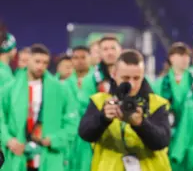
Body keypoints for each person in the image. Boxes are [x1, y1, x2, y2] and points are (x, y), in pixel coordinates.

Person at [78, 49, 171, 171]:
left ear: (143, 76)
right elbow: (85, 134)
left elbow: (162, 142)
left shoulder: (157, 104)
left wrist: (141, 124)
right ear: (114, 74)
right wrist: (103, 118)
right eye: (126, 78)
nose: (131, 84)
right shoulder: (100, 101)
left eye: (137, 78)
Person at [0, 43, 78, 171]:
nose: (41, 66)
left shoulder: (60, 90)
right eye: (37, 61)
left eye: (45, 63)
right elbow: (1, 118)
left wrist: (54, 139)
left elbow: (72, 122)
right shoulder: (9, 89)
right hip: (17, 155)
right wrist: (8, 139)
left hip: (48, 155)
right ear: (28, 60)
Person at [71, 35, 121, 171]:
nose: (110, 52)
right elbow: (83, 109)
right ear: (100, 53)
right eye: (105, 49)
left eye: (113, 48)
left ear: (120, 51)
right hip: (96, 138)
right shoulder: (90, 80)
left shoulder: (129, 76)